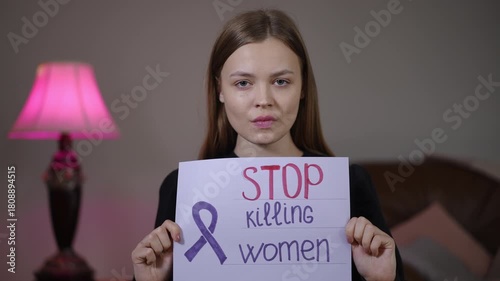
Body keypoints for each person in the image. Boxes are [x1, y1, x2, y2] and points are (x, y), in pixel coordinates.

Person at [132, 9, 405, 281]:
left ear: (303, 88)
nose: (263, 99)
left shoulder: (351, 185)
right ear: (220, 91)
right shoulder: (180, 189)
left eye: (281, 81)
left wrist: (382, 280)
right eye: (243, 83)